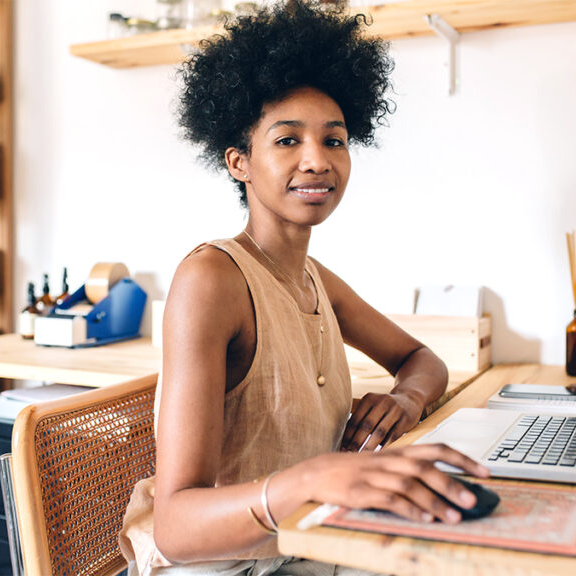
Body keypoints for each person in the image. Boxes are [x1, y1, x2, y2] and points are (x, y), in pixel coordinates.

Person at [120, 2, 488, 574]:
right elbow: (176, 526)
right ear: (239, 162)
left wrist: (404, 401)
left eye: (334, 141)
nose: (317, 160)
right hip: (224, 565)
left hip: (309, 547)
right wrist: (315, 478)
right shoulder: (212, 280)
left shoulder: (318, 280)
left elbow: (422, 360)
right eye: (288, 140)